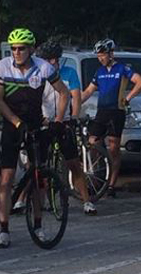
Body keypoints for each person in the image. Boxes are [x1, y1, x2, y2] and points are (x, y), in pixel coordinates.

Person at [0, 28, 69, 249]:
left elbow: (63, 92)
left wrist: (58, 120)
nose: (16, 52)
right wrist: (16, 122)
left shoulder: (43, 67)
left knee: (38, 177)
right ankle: (4, 229)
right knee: (7, 178)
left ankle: (38, 225)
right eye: (13, 48)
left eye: (21, 48)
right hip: (12, 124)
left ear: (31, 49)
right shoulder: (1, 67)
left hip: (34, 125)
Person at [36, 39, 97, 215]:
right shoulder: (39, 75)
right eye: (47, 59)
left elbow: (75, 97)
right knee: (39, 165)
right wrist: (41, 119)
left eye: (54, 59)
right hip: (46, 122)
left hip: (65, 122)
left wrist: (74, 117)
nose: (51, 63)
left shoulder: (69, 73)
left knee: (74, 164)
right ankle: (35, 201)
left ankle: (87, 201)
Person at [80, 38, 141, 198]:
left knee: (114, 147)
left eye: (103, 55)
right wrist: (73, 103)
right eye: (98, 55)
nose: (100, 58)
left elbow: (140, 82)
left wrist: (128, 98)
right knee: (92, 142)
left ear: (111, 54)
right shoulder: (99, 72)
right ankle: (98, 177)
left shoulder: (122, 68)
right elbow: (88, 91)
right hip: (102, 111)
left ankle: (112, 183)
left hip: (117, 111)